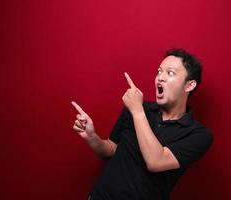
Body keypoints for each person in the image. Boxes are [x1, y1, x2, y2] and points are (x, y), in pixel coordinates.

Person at [71, 48, 213, 200]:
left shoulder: (198, 135)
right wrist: (92, 137)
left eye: (170, 73)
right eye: (159, 71)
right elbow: (111, 150)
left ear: (189, 85)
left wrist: (137, 111)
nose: (160, 77)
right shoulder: (139, 107)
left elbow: (156, 161)